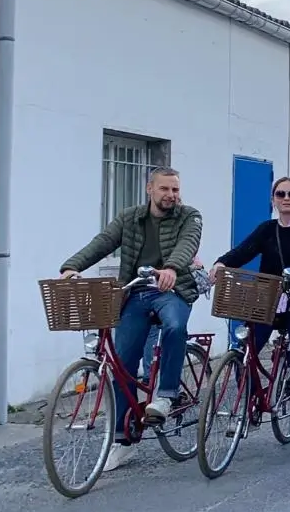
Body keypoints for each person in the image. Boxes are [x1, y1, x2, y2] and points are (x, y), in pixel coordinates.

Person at [59, 167, 203, 472]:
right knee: (122, 363)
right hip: (136, 292)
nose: (171, 196)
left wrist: (173, 268)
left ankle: (166, 395)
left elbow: (187, 244)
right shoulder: (129, 217)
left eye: (175, 190)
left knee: (175, 326)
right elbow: (103, 242)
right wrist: (72, 266)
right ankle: (123, 440)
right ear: (149, 189)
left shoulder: (189, 216)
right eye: (165, 189)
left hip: (173, 289)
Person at [208, 176, 290, 457]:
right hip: (267, 302)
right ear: (273, 199)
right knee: (243, 351)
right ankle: (250, 401)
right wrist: (221, 263)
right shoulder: (267, 229)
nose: (286, 198)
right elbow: (244, 250)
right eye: (280, 194)